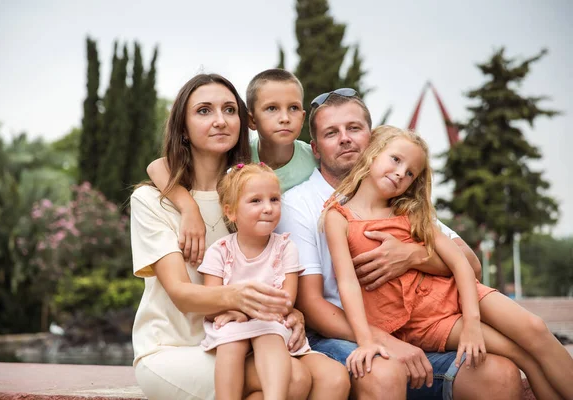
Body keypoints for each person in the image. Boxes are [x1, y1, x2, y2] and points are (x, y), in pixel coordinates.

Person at [276, 89, 524, 399]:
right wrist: (385, 341)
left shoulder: (399, 196)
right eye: (331, 133)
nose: (345, 139)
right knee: (385, 371)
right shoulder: (299, 204)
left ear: (372, 137)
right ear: (315, 148)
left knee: (500, 374)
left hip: (414, 327)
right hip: (341, 336)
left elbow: (470, 264)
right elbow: (312, 306)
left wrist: (412, 255)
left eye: (354, 128)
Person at [324, 125, 573, 400]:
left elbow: (462, 265)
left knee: (536, 329)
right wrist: (366, 340)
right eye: (396, 159)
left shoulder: (411, 212)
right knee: (519, 354)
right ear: (372, 153)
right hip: (423, 321)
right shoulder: (338, 218)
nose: (400, 173)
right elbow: (346, 282)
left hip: (455, 292)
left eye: (410, 173)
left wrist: (471, 324)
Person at [130, 73, 313, 400]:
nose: (220, 121)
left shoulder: (251, 196)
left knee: (328, 376)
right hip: (174, 349)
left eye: (230, 110)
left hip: (242, 338)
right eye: (204, 111)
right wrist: (188, 209)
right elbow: (182, 294)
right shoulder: (151, 201)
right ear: (182, 128)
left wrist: (289, 311)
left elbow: (268, 268)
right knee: (294, 380)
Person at [199, 162, 347, 400]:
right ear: (231, 211)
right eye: (256, 201)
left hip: (270, 324)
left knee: (269, 332)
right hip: (234, 329)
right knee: (230, 343)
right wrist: (230, 311)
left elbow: (285, 302)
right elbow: (209, 302)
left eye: (274, 200)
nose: (268, 208)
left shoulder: (285, 247)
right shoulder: (220, 251)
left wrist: (241, 310)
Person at [146, 68, 317, 267]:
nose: (285, 118)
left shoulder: (315, 159)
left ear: (303, 117)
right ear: (251, 120)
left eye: (293, 108)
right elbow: (157, 166)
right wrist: (189, 208)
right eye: (272, 108)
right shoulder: (241, 161)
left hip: (305, 261)